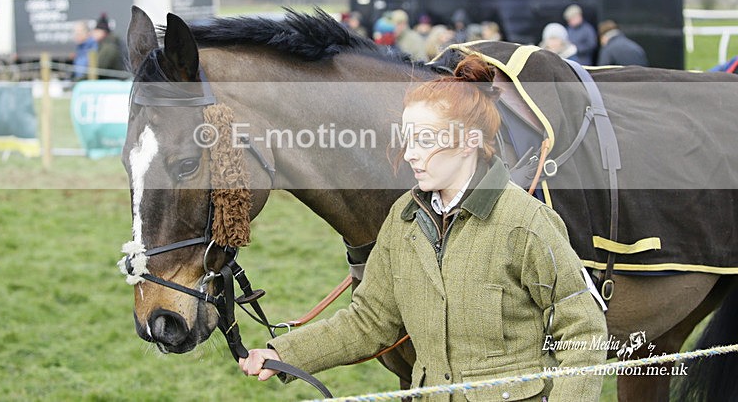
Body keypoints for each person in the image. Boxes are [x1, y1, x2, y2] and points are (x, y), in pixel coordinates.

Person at [240, 55, 608, 401]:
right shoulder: (404, 219)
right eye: (408, 139)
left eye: (426, 140)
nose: (411, 153)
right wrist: (280, 353)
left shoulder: (525, 223)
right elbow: (370, 320)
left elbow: (583, 332)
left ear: (469, 143)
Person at [92, 13, 126, 78]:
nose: (93, 33)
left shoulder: (109, 47)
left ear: (103, 32)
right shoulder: (107, 44)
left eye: (96, 31)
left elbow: (99, 70)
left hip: (115, 82)